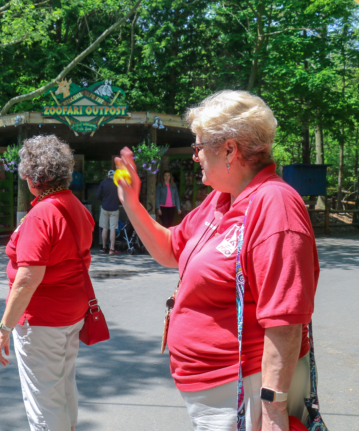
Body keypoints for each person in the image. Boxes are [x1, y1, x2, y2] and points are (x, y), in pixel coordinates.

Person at [116, 90, 319, 430]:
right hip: (218, 394)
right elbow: (170, 249)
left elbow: (285, 322)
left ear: (229, 149)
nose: (195, 157)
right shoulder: (221, 199)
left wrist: (273, 410)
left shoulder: (274, 205)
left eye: (198, 147)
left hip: (247, 390)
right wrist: (132, 202)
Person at [0, 135, 95, 431]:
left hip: (42, 319)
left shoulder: (42, 214)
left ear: (30, 176)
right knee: (63, 385)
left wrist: (4, 329)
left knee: (43, 399)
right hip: (70, 312)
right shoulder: (75, 204)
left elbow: (27, 279)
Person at [97, 170, 121, 255]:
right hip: (114, 208)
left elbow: (98, 195)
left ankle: (103, 247)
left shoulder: (103, 183)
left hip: (105, 208)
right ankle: (112, 249)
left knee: (104, 228)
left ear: (108, 176)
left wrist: (104, 200)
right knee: (113, 229)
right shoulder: (118, 183)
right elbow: (121, 196)